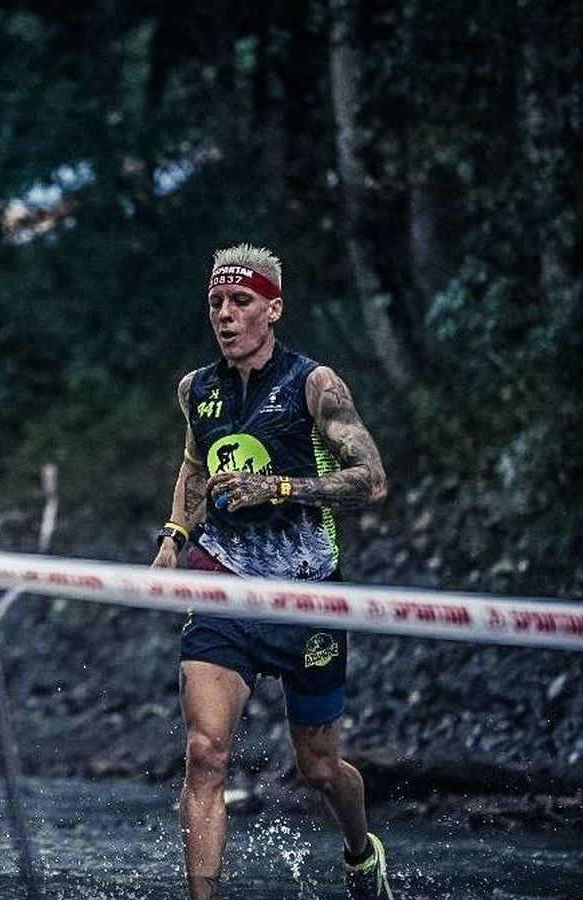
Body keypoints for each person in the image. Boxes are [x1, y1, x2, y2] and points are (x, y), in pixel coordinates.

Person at [150, 244, 394, 899]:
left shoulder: (315, 385)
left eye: (241, 303)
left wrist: (280, 490)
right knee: (205, 752)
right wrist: (176, 535)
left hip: (307, 597)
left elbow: (370, 481)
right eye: (215, 304)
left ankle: (360, 851)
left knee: (318, 768)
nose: (225, 317)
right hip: (227, 585)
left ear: (273, 309)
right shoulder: (196, 390)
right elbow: (195, 467)